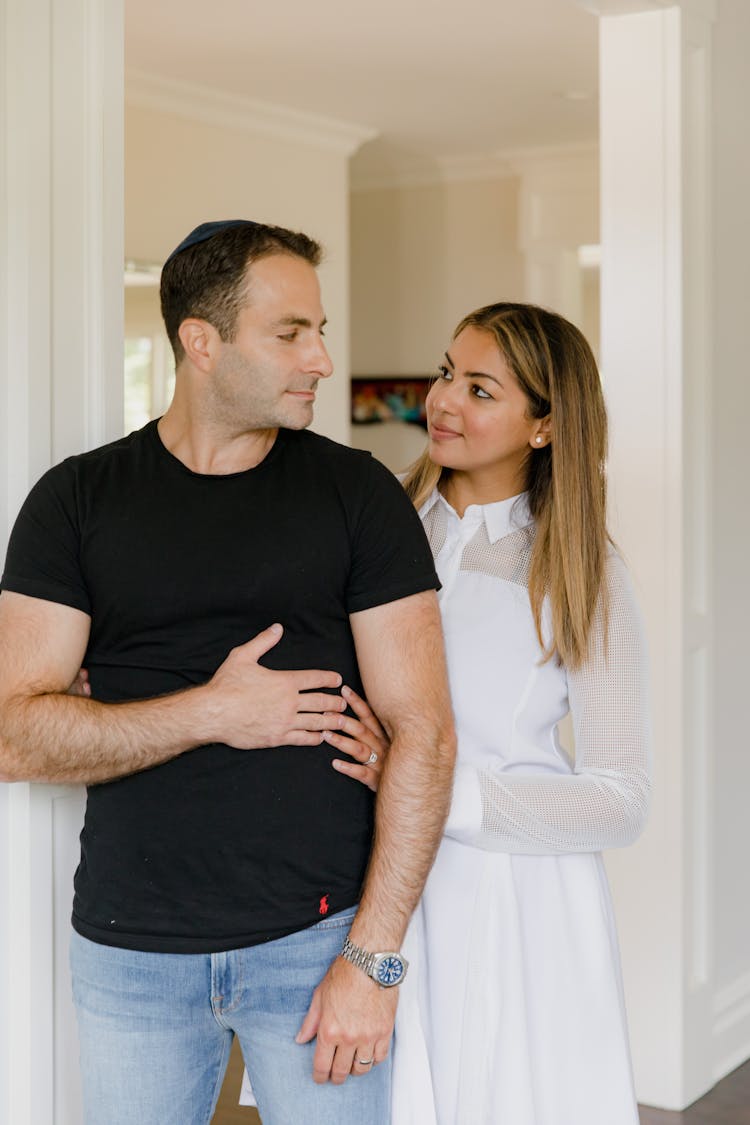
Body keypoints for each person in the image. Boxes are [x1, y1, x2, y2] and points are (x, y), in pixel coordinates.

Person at [0, 219, 456, 1125]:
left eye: (319, 330)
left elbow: (427, 735)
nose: (321, 358)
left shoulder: (357, 495)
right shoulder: (77, 500)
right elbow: (14, 734)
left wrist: (374, 958)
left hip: (319, 944)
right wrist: (212, 711)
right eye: (291, 333)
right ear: (199, 341)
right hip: (131, 953)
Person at [333, 302, 651, 1124]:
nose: (443, 400)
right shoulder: (376, 523)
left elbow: (622, 797)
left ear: (544, 425)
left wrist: (436, 788)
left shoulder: (580, 569)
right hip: (365, 880)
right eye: (446, 374)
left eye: (480, 389)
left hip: (514, 907)